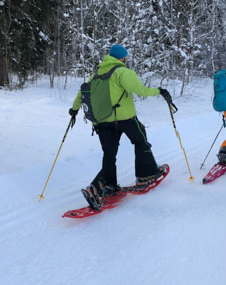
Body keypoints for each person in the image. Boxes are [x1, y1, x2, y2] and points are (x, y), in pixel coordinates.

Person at [69, 44, 173, 210]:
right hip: (125, 118)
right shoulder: (122, 72)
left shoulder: (96, 74)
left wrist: (74, 110)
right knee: (141, 141)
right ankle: (146, 176)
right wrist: (159, 91)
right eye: (125, 57)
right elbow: (141, 90)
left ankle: (105, 187)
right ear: (122, 57)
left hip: (102, 121)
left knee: (109, 154)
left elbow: (82, 93)